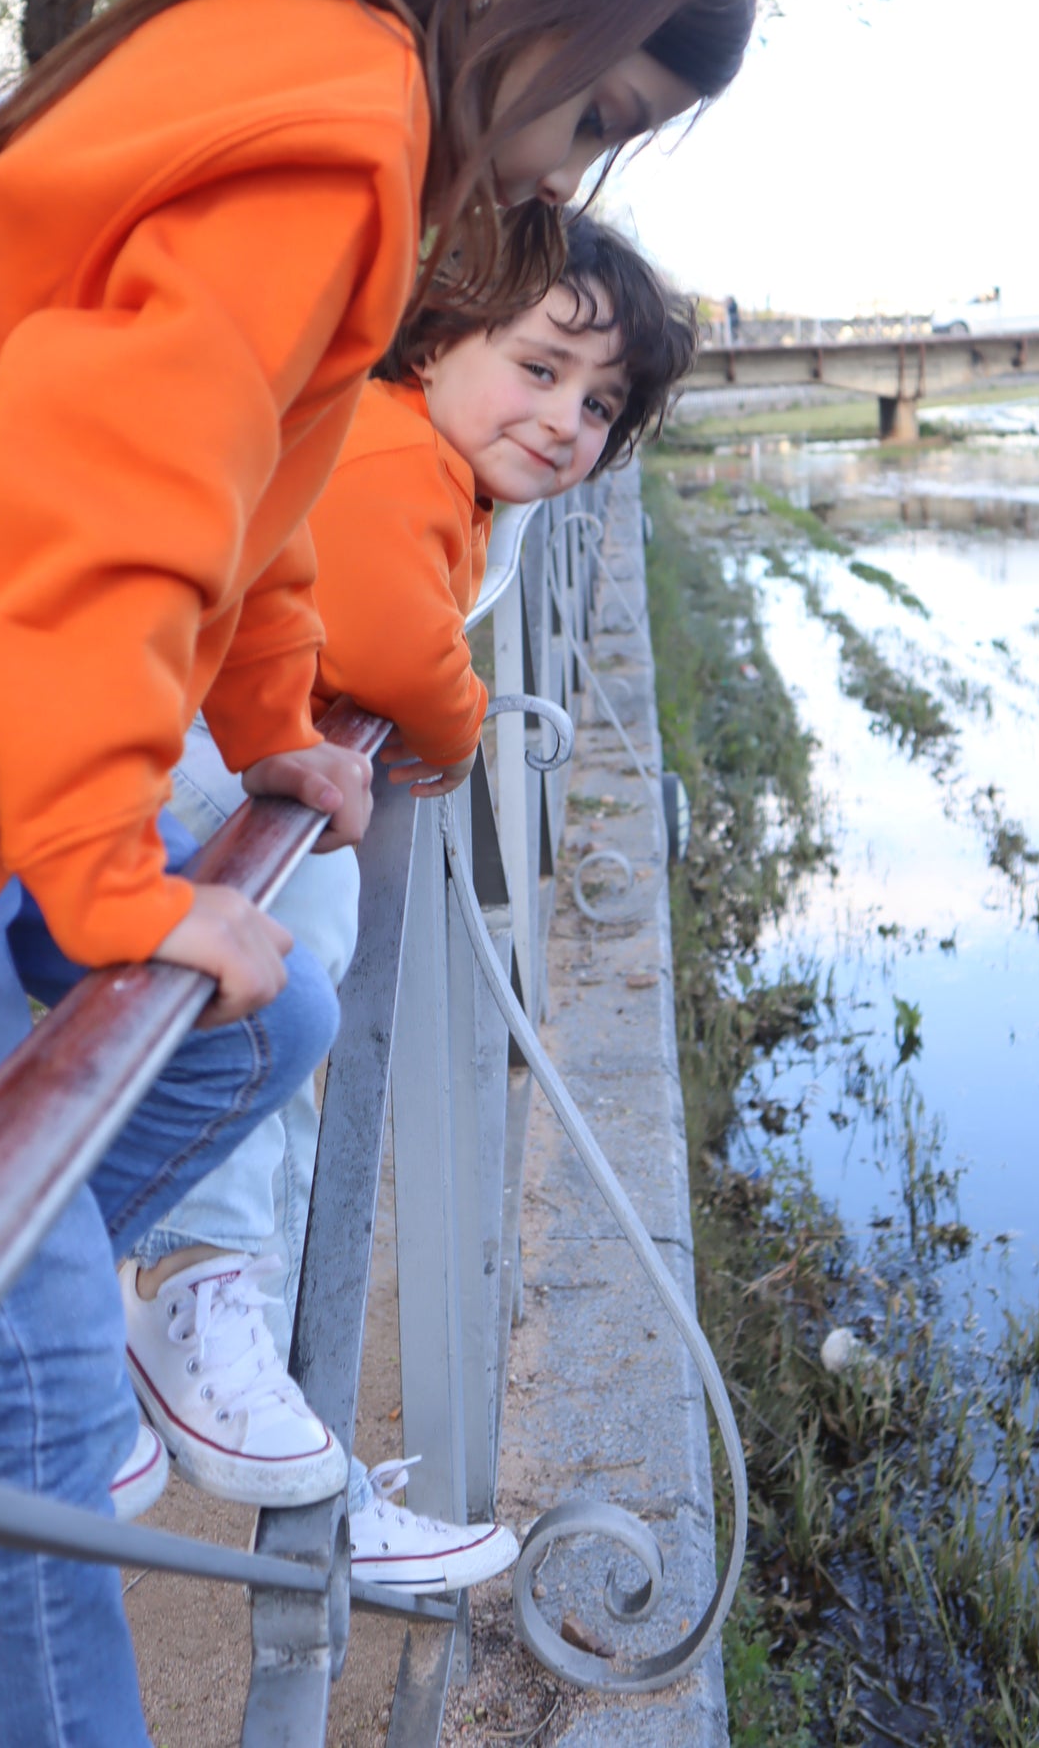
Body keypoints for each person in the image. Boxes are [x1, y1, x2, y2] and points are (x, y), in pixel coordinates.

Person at [0, 0, 754, 1748]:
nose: (567, 166)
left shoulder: (308, 72)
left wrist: (279, 722)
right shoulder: (334, 110)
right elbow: (106, 480)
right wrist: (116, 870)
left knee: (281, 1009)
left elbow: (264, 480)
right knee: (42, 1346)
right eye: (591, 114)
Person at [124, 217, 697, 1593]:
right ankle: (194, 1310)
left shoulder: (435, 463)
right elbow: (389, 639)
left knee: (293, 1063)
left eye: (600, 403)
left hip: (233, 774)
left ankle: (289, 1447)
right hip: (204, 780)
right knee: (273, 1036)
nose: (566, 422)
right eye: (541, 367)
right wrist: (461, 720)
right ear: (435, 340)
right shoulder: (389, 448)